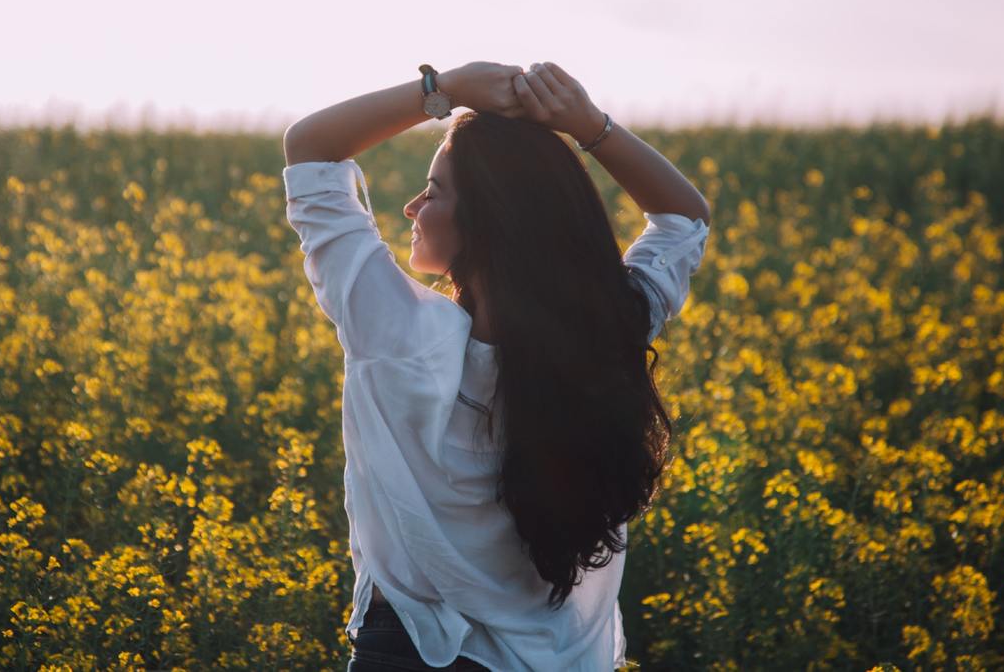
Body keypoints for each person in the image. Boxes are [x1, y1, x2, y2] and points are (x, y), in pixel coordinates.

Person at [282, 61, 711, 671]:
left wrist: (445, 88)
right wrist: (588, 125)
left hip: (413, 652)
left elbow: (310, 149)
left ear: (486, 221)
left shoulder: (398, 334)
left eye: (433, 192)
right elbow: (684, 217)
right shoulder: (608, 331)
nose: (411, 206)